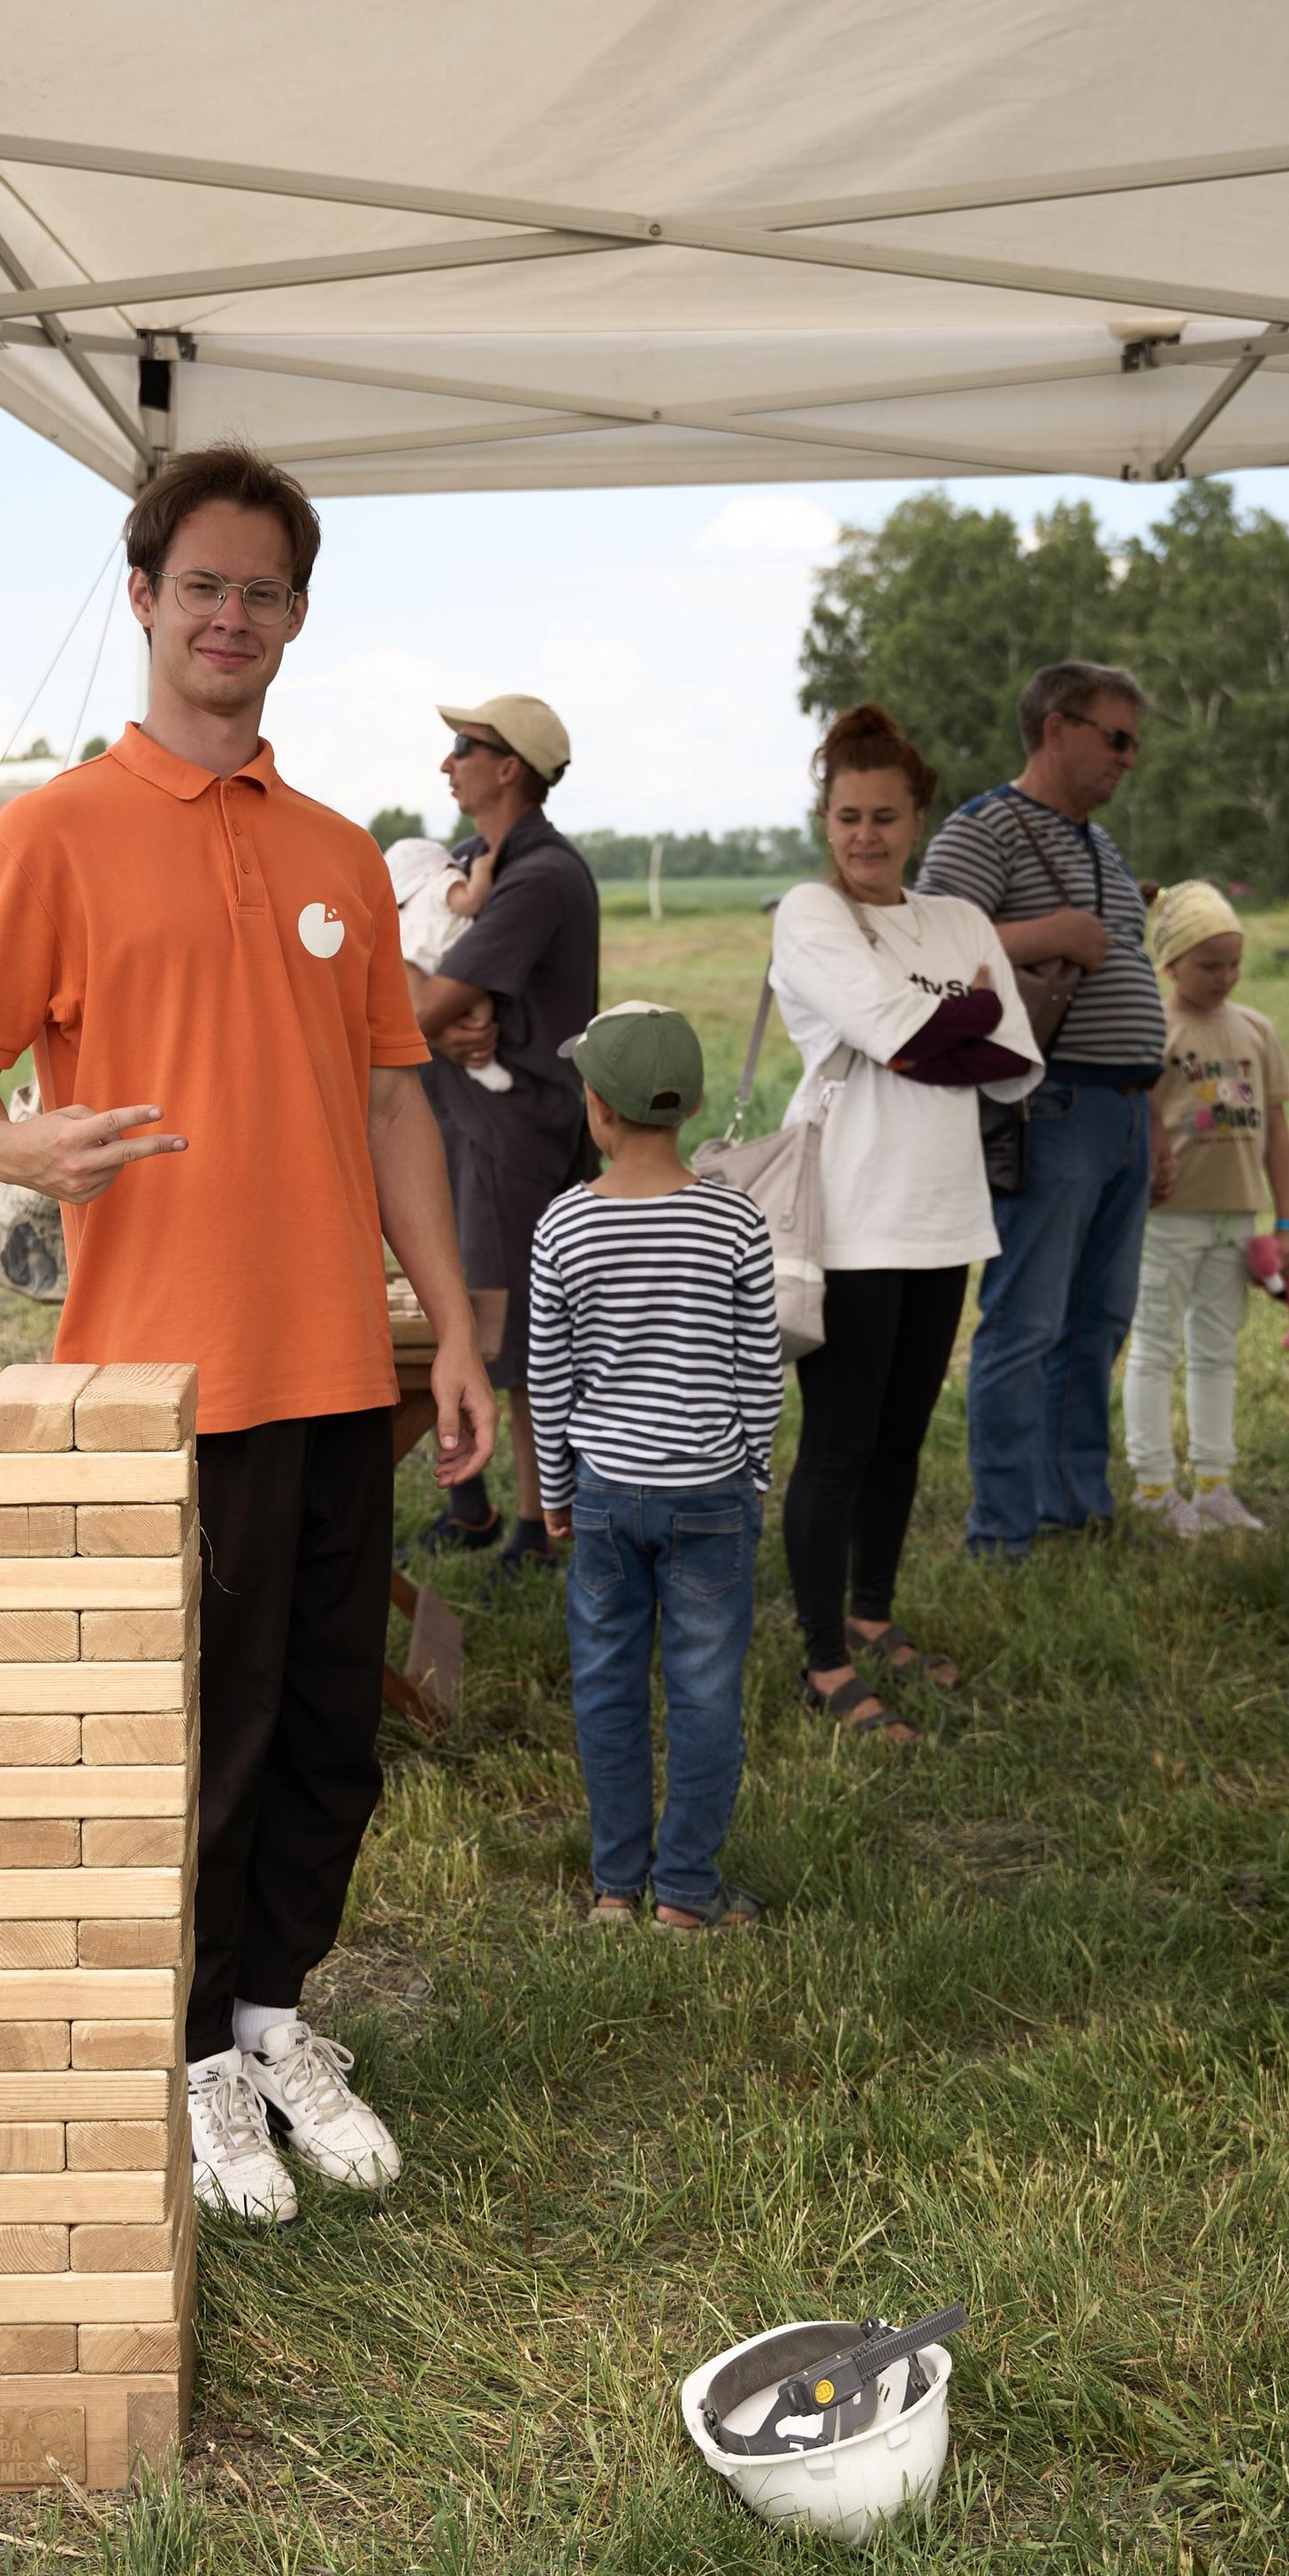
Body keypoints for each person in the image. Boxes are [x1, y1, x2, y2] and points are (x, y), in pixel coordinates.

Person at [0, 445, 497, 2229]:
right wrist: (17, 1142)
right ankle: (183, 2065)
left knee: (333, 1725)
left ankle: (272, 2025)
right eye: (201, 586)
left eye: (262, 591)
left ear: (295, 618)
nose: (229, 616)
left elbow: (397, 1103)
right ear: (143, 598)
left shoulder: (336, 854)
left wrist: (454, 1332)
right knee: (210, 1736)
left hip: (335, 1359)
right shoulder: (54, 834)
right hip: (165, 1376)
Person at [769, 703, 1041, 1734]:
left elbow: (1015, 1066)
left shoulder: (959, 922)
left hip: (943, 1215)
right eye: (847, 815)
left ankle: (873, 1614)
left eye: (885, 816)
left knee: (901, 1440)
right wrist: (958, 1015)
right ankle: (823, 1659)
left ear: (917, 817)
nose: (865, 836)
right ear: (825, 817)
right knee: (838, 1442)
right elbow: (890, 1034)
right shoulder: (810, 913)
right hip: (849, 1217)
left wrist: (944, 1029)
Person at [530, 1004, 783, 1932]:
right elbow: (760, 1364)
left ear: (595, 1109)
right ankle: (685, 1891)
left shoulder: (562, 1224)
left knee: (606, 1686)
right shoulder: (734, 1220)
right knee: (705, 1691)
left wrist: (555, 1489)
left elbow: (548, 1378)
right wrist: (752, 1469)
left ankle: (612, 1889)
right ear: (692, 1105)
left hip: (603, 1495)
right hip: (710, 1493)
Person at [916, 662, 1171, 1559]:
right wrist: (1044, 936)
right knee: (1026, 1323)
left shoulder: (1097, 843)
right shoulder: (984, 828)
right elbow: (925, 948)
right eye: (1117, 737)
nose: (1129, 758)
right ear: (1057, 729)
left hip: (1125, 1109)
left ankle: (1076, 1501)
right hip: (1050, 1105)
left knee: (1099, 1318)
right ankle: (1004, 1528)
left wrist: (1156, 1117)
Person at [407, 696, 600, 1574]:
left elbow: (425, 1001)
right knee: (465, 1309)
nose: (448, 764)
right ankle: (470, 1503)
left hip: (512, 1130)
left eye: (463, 747)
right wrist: (432, 1024)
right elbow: (423, 1005)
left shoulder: (540, 877)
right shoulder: (472, 860)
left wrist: (432, 1020)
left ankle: (533, 1525)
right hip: (462, 1119)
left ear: (509, 766)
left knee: (511, 1330)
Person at [1123, 880, 1289, 1538]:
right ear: (1169, 963)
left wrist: (1285, 1221)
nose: (1224, 976)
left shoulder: (1256, 1029)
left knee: (1217, 1351)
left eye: (1233, 963)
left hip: (1238, 1218)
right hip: (1166, 1220)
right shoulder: (1153, 1029)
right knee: (1155, 1348)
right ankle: (1153, 1486)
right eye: (1208, 964)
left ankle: (1216, 1484)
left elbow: (1277, 1132)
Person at [382, 834, 511, 1091]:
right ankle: (480, 1062)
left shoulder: (404, 905)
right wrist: (481, 871)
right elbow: (471, 902)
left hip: (415, 963)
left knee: (432, 1014)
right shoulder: (444, 881)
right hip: (451, 959)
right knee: (480, 1005)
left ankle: (457, 1052)